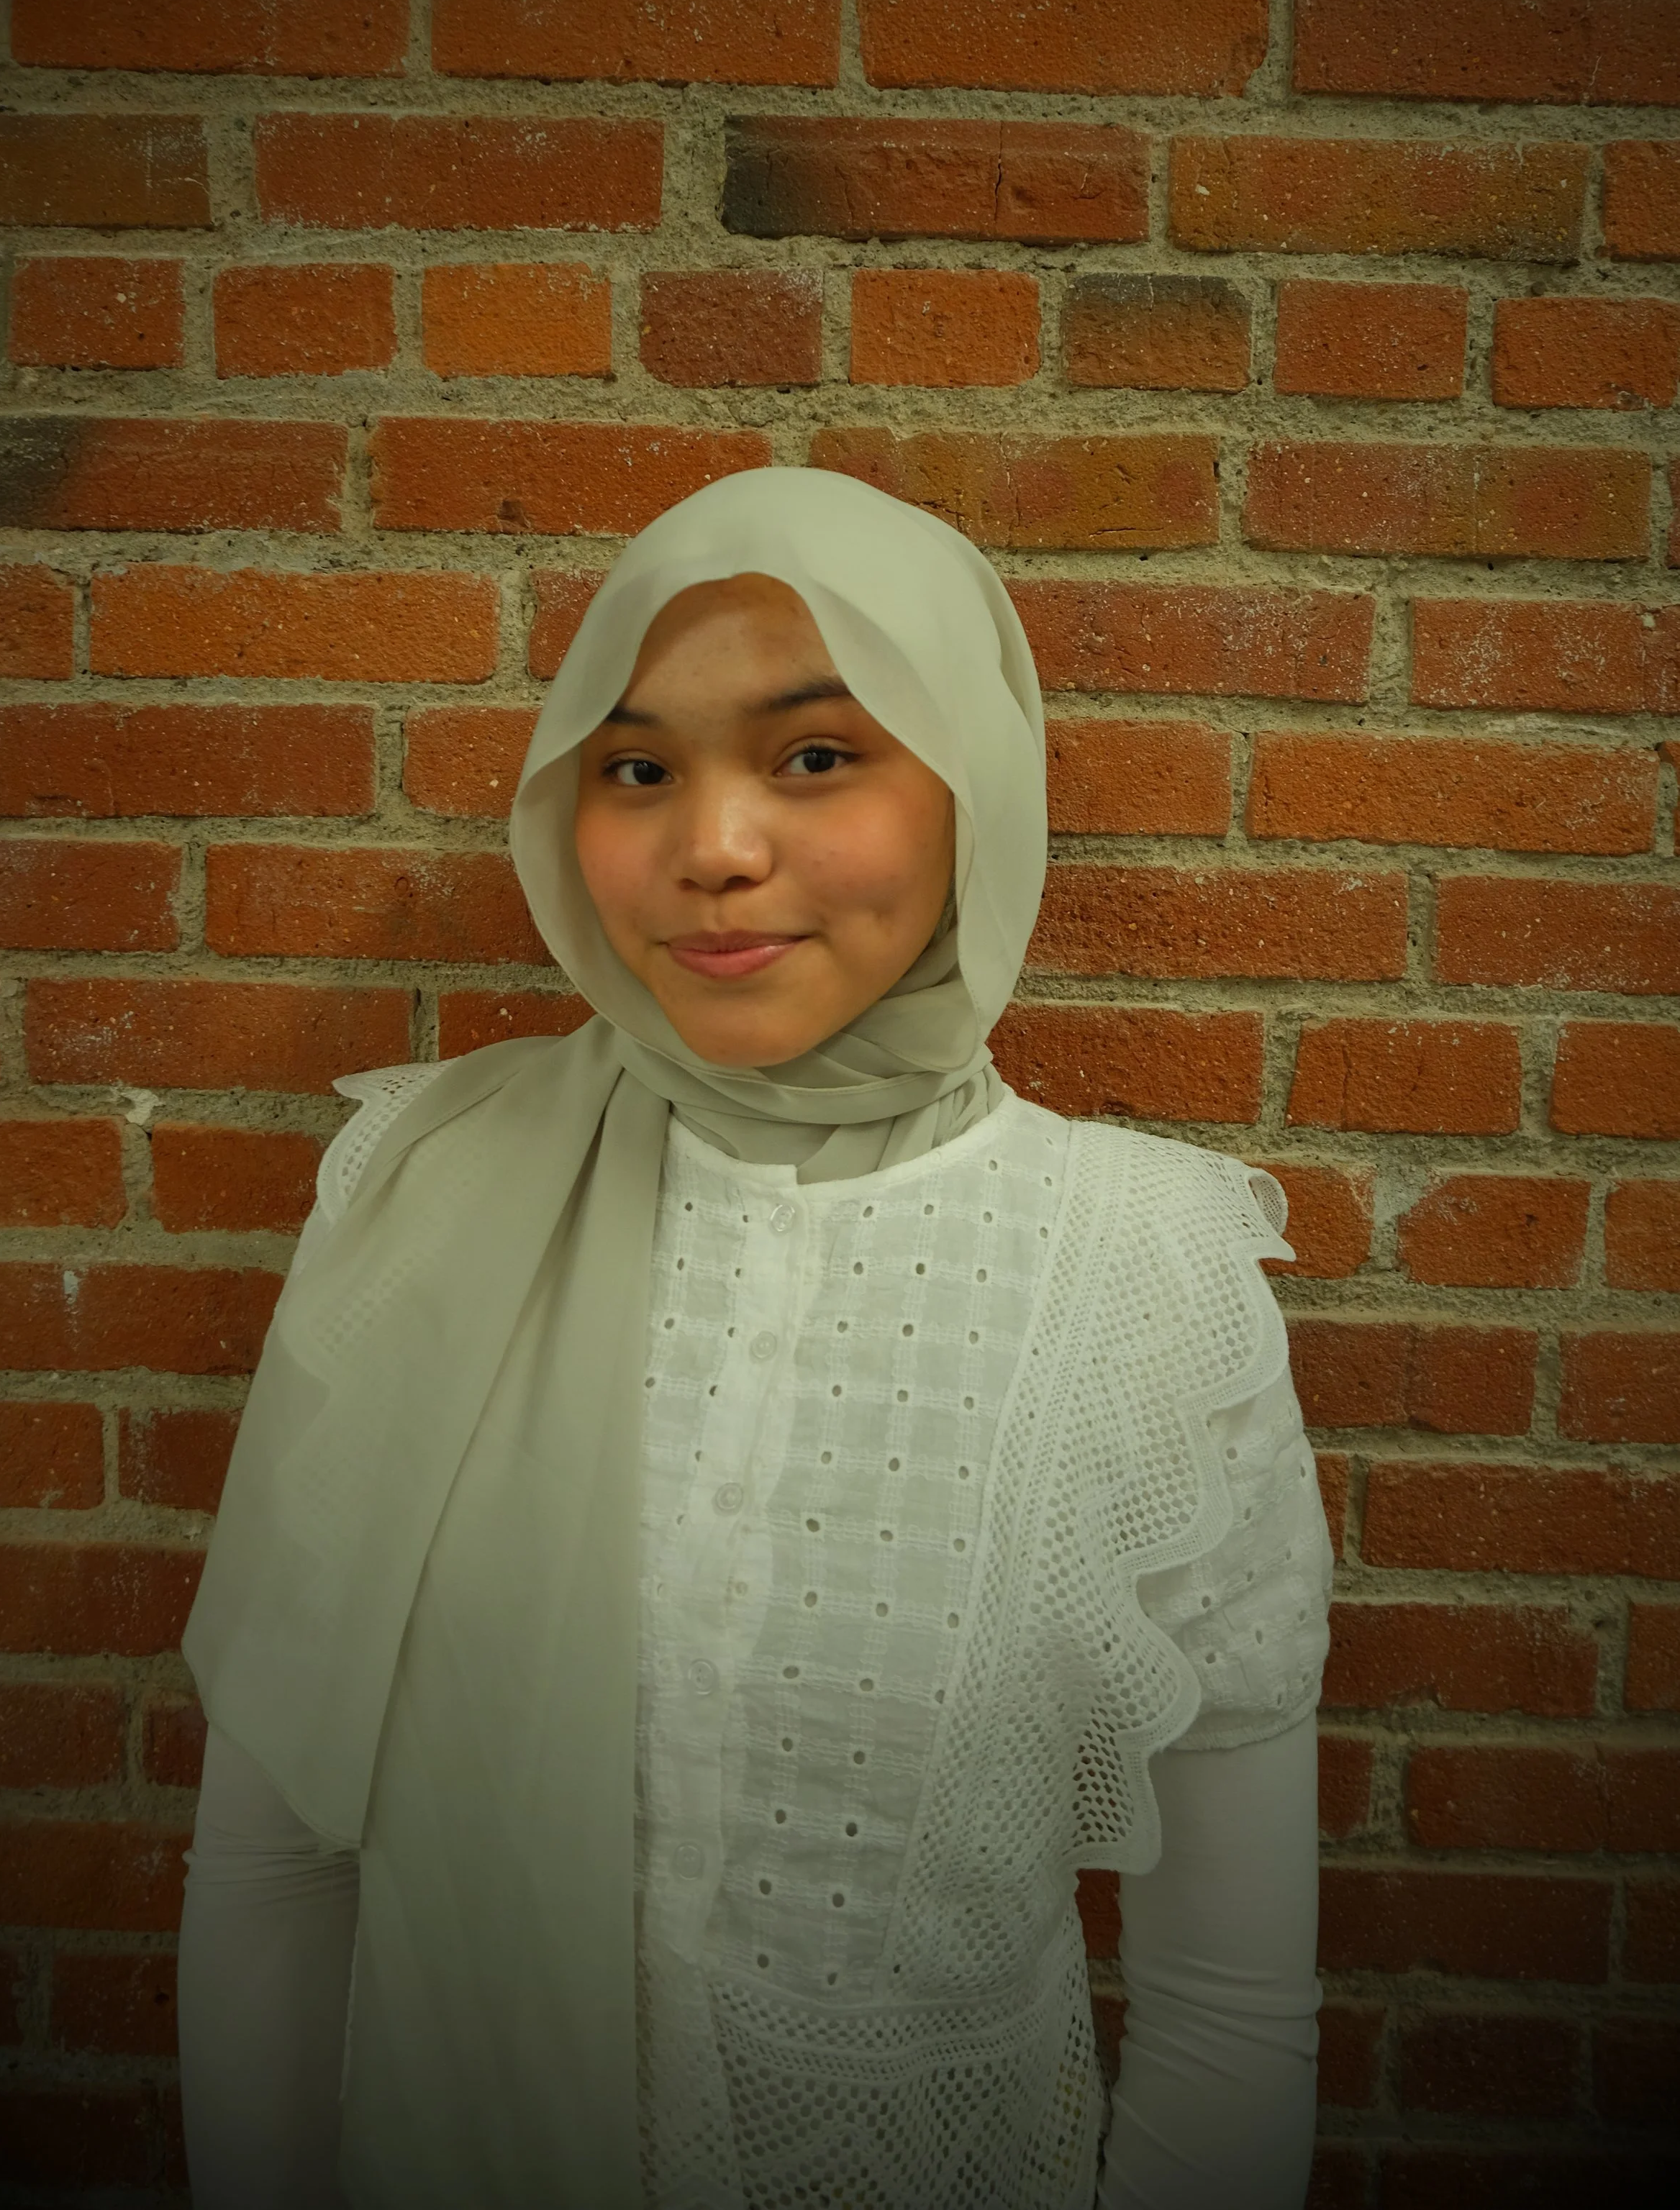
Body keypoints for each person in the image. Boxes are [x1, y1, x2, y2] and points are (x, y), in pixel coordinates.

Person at [176, 467, 1333, 2210]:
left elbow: (1223, 2002)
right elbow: (276, 1868)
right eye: (636, 769)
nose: (710, 850)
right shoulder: (418, 1196)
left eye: (814, 756)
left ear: (974, 791)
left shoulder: (1154, 1272)